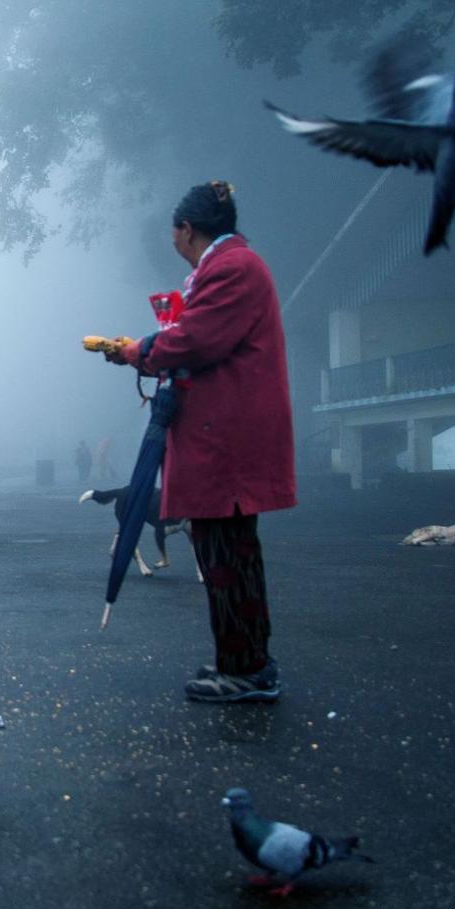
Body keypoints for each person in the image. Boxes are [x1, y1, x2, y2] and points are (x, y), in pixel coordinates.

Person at [103, 181, 294, 703]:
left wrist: (139, 350)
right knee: (228, 555)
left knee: (226, 557)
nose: (174, 241)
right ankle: (245, 660)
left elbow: (196, 339)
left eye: (175, 233)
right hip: (225, 433)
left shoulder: (233, 268)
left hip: (225, 438)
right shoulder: (233, 265)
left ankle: (246, 669)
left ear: (187, 229)